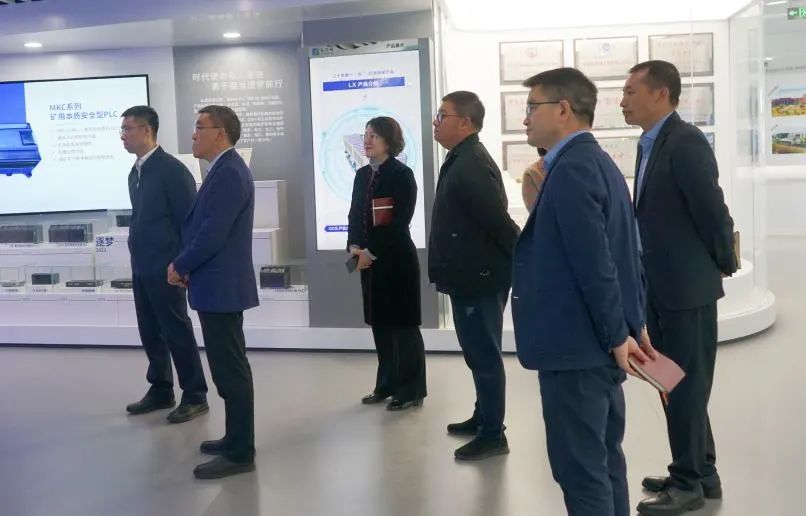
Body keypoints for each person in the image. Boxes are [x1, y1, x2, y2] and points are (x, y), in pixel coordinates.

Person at [512, 67, 651, 516]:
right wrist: (631, 325)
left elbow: (596, 265)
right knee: (605, 462)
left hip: (577, 351)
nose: (525, 118)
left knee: (582, 471)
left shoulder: (571, 169)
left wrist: (618, 333)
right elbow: (625, 254)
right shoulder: (598, 162)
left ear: (563, 109)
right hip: (597, 345)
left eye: (532, 107)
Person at [621, 61, 737, 516]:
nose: (623, 101)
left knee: (684, 388)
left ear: (661, 93)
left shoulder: (685, 141)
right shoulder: (650, 144)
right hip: (662, 286)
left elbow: (712, 210)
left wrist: (722, 262)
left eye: (631, 91)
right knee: (671, 382)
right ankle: (701, 471)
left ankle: (687, 483)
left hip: (687, 289)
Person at [168, 105, 259, 480]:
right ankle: (235, 438)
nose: (193, 134)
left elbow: (211, 234)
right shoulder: (224, 170)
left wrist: (180, 265)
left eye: (199, 127)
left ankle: (240, 453)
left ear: (220, 133)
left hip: (221, 287)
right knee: (228, 368)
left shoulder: (229, 173)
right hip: (217, 285)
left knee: (230, 370)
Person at [429, 91, 520, 460]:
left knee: (484, 356)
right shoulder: (461, 158)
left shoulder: (470, 164)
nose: (436, 122)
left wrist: (524, 257)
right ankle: (484, 416)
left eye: (442, 115)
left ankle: (493, 434)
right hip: (469, 274)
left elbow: (497, 222)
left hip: (479, 277)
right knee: (477, 353)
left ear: (465, 122)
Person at [120, 105, 208, 423]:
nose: (123, 136)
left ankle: (195, 394)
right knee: (150, 330)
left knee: (176, 329)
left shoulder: (172, 170)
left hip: (167, 267)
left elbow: (190, 222)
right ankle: (161, 389)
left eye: (128, 129)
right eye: (122, 130)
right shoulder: (135, 172)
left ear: (147, 130)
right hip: (142, 264)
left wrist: (181, 265)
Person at [347, 116, 427, 411]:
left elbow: (398, 222)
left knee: (403, 327)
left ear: (389, 142)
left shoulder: (401, 175)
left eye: (374, 136)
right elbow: (355, 214)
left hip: (396, 261)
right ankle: (386, 385)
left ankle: (410, 390)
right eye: (366, 134)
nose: (367, 141)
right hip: (368, 262)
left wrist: (370, 251)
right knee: (380, 325)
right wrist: (354, 246)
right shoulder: (361, 175)